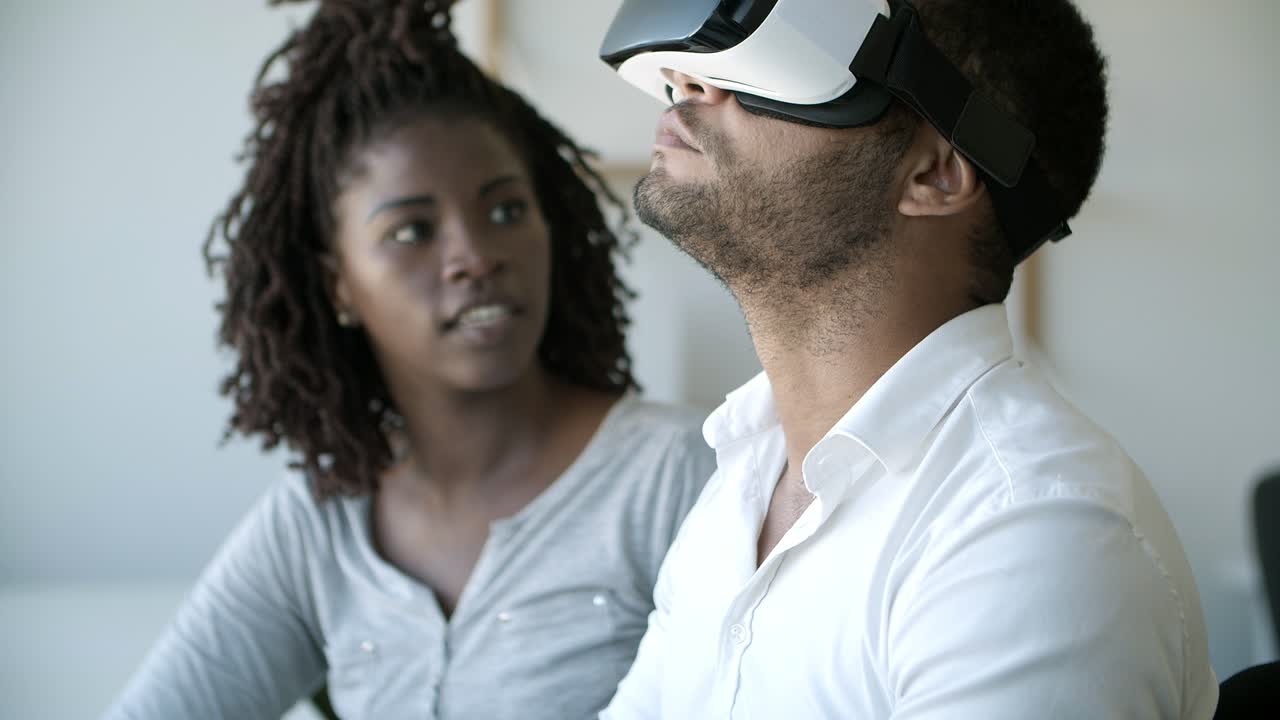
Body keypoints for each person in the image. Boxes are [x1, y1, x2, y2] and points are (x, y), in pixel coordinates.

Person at [601, 0, 1218, 718]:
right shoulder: (742, 480)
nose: (690, 81)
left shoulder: (1029, 532)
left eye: (789, 57)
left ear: (934, 175)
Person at [105, 1, 713, 718]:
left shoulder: (681, 477)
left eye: (506, 211)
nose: (474, 257)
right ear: (338, 284)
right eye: (412, 231)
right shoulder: (319, 520)